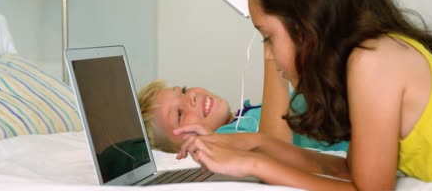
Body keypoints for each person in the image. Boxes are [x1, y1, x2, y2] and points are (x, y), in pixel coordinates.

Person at [174, 0, 432, 189]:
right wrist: (254, 144)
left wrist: (254, 164)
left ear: (304, 22)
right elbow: (348, 170)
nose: (268, 54)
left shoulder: (373, 62)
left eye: (268, 36)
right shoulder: (372, 57)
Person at [137, 79, 349, 153]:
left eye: (182, 90)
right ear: (180, 148)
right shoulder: (224, 138)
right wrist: (272, 50)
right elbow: (272, 144)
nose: (190, 97)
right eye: (180, 114)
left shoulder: (243, 117)